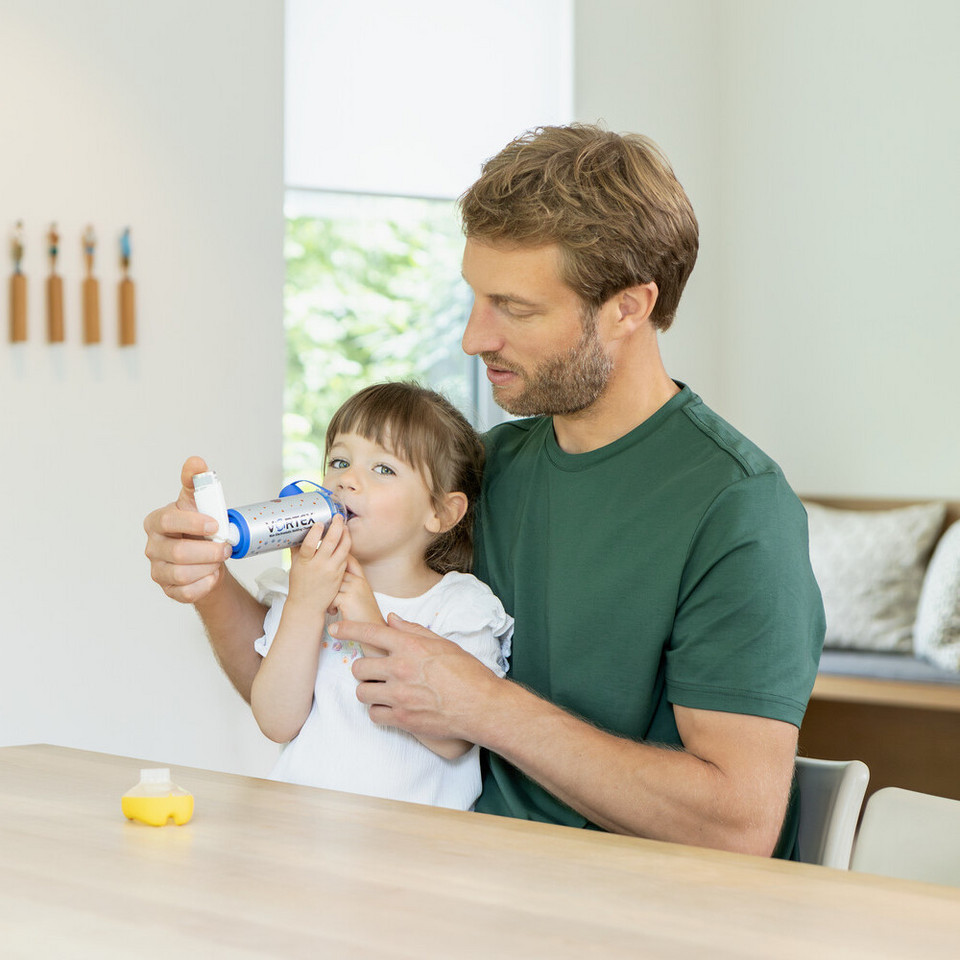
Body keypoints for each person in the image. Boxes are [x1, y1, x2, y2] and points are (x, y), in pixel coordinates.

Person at [144, 123, 824, 858]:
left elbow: (739, 823)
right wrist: (208, 582)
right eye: (474, 297)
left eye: (515, 308)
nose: (473, 337)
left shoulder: (737, 509)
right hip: (446, 872)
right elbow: (310, 695)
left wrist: (482, 705)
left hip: (619, 911)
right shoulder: (484, 469)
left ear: (628, 308)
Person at [216, 382, 511, 808]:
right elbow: (277, 722)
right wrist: (304, 605)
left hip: (411, 852)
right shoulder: (302, 591)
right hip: (302, 838)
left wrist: (371, 627)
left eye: (383, 469)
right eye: (339, 461)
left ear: (441, 512)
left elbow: (455, 742)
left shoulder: (460, 607)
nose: (347, 481)